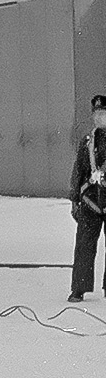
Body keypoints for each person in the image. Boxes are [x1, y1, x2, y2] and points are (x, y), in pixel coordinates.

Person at [67, 94, 106, 303]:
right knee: (83, 245)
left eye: (103, 113)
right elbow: (79, 169)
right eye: (96, 114)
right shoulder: (88, 141)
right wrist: (74, 198)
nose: (99, 117)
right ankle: (78, 288)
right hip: (90, 201)